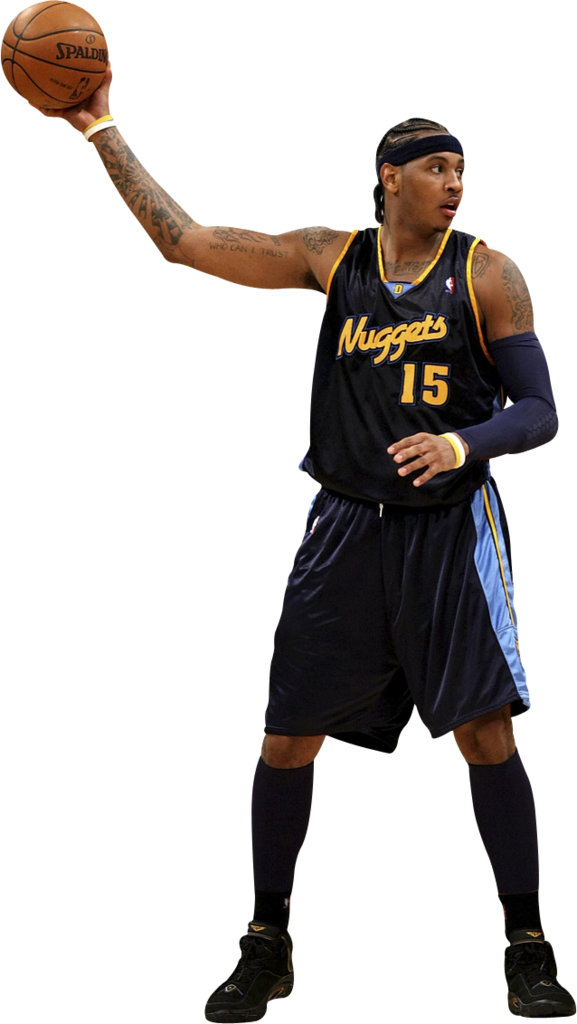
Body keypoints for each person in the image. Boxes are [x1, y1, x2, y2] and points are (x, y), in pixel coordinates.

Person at [28, 80, 573, 1020]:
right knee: (286, 737)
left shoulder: (489, 272)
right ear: (388, 177)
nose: (455, 183)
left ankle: (527, 946)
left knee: (485, 734)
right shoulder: (329, 256)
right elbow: (185, 242)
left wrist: (460, 443)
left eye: (461, 169)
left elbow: (540, 412)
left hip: (450, 528)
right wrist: (97, 126)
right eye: (436, 168)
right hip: (343, 524)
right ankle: (265, 941)